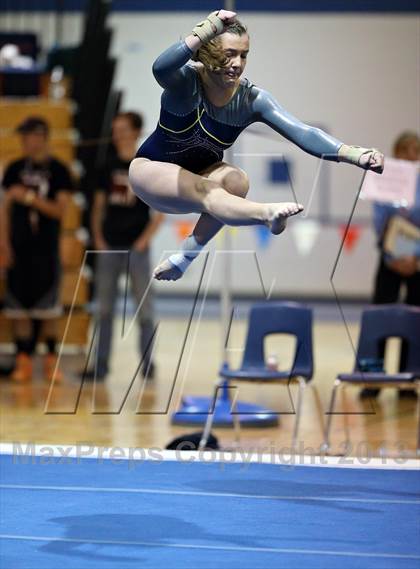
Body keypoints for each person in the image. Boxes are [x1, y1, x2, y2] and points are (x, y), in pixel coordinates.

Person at [128, 9, 384, 283]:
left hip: (200, 177)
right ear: (210, 50)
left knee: (237, 181)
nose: (237, 63)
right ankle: (265, 214)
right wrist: (205, 30)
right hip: (152, 173)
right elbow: (160, 67)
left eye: (244, 54)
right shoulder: (186, 83)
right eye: (229, 54)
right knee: (209, 190)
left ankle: (183, 259)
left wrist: (354, 154)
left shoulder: (252, 99)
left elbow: (302, 131)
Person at [84, 111, 164, 381]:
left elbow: (161, 209)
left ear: (136, 132)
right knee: (104, 309)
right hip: (109, 247)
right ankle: (101, 365)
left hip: (137, 249)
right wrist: (98, 237)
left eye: (122, 129)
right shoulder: (106, 166)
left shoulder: (147, 166)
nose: (117, 134)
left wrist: (145, 239)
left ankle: (148, 363)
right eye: (115, 128)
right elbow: (98, 207)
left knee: (144, 309)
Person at [0, 117, 73, 382]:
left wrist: (30, 198)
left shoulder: (59, 171)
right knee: (18, 308)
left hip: (46, 249)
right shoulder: (14, 169)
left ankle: (52, 362)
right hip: (18, 249)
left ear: (41, 136)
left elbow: (60, 210)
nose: (24, 142)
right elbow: (5, 210)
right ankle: (24, 362)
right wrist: (4, 244)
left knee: (48, 308)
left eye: (28, 136)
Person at [360, 132, 420, 399]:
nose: (411, 155)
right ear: (396, 152)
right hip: (389, 257)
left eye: (416, 150)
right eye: (405, 150)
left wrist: (415, 260)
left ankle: (409, 379)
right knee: (379, 318)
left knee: (414, 319)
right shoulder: (385, 177)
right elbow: (379, 220)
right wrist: (393, 257)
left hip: (418, 259)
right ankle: (373, 379)